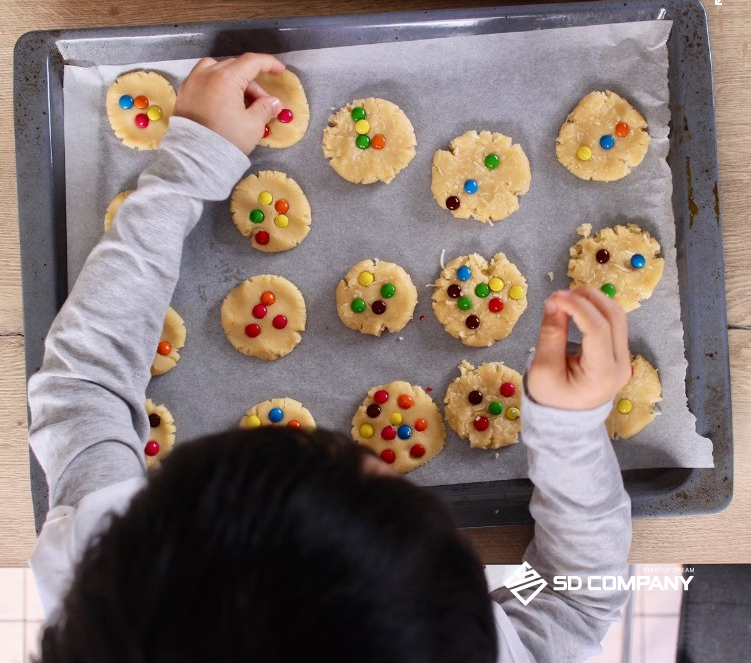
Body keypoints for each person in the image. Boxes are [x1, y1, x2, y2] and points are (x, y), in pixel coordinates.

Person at [26, 53, 632, 663]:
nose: (351, 441)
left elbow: (84, 386)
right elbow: (574, 597)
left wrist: (191, 162)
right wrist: (569, 433)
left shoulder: (115, 581)